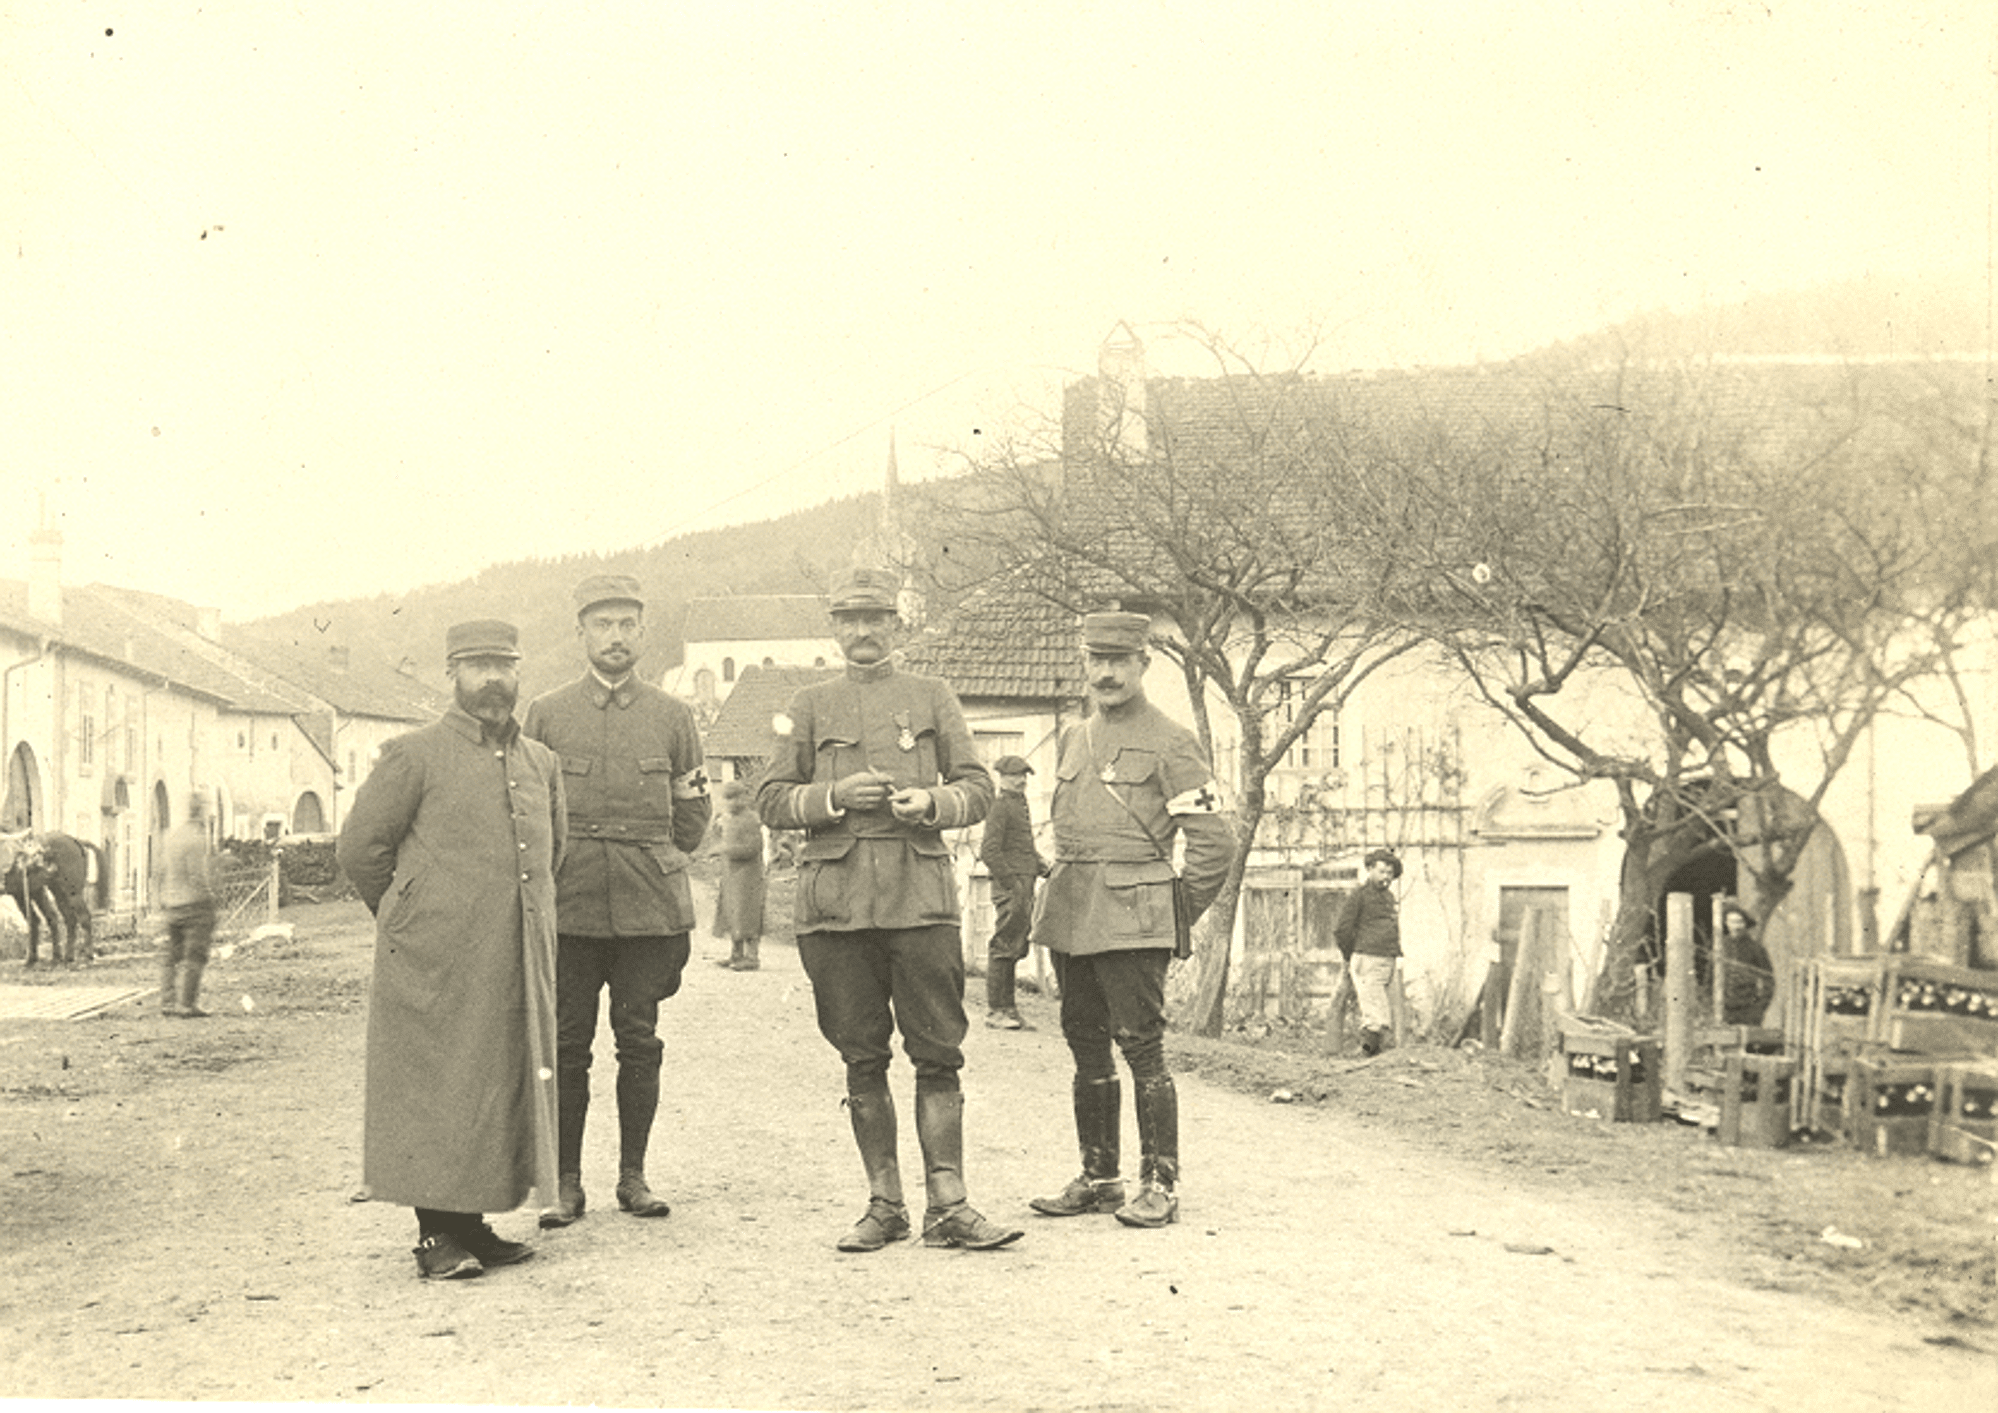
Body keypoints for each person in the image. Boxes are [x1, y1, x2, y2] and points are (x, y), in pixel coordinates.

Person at [757, 565, 1019, 1253]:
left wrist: (932, 803)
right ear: (835, 628)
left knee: (939, 1053)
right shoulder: (808, 704)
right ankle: (884, 1204)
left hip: (919, 897)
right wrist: (836, 796)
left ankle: (950, 1205)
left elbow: (979, 787)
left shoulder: (932, 694)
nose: (864, 631)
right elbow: (771, 798)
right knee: (861, 1056)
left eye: (876, 618)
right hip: (837, 907)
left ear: (895, 624)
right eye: (850, 619)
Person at [336, 619, 565, 1281]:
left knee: (494, 1084)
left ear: (519, 671)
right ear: (452, 674)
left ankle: (473, 1226)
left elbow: (557, 854)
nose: (492, 678)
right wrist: (411, 917)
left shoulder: (539, 763)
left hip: (515, 955)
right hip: (433, 957)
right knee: (437, 1084)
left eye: (503, 664)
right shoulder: (415, 754)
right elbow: (360, 849)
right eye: (476, 665)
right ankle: (436, 1235)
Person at [1028, 611, 1236, 1230]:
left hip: (1133, 915)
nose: (1107, 672)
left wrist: (1169, 917)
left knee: (1143, 1049)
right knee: (1084, 1043)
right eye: (1096, 660)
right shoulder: (1073, 736)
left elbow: (1213, 846)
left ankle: (1160, 1183)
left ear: (1144, 664)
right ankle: (1099, 1177)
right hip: (1071, 910)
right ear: (1084, 664)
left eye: (1120, 661)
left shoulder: (1172, 740)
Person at [522, 574, 712, 1228]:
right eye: (602, 625)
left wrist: (656, 860)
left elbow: (694, 811)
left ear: (641, 631)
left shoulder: (672, 714)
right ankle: (567, 1182)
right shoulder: (546, 713)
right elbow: (525, 810)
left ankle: (633, 1176)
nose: (616, 637)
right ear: (581, 633)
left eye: (627, 624)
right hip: (570, 905)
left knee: (640, 1039)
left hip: (646, 907)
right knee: (568, 1043)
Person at [979, 754, 1046, 1030]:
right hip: (1012, 885)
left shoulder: (1020, 804)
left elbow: (1021, 847)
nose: (1020, 781)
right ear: (1002, 778)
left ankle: (1010, 1010)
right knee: (1004, 945)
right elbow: (989, 851)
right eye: (1015, 776)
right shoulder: (1000, 806)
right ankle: (996, 1011)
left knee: (1016, 944)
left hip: (1024, 880)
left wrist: (1040, 865)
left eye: (1024, 776)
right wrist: (1011, 882)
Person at [1335, 847, 1403, 1057]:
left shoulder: (1388, 897)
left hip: (1386, 958)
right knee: (1374, 1010)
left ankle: (1380, 1053)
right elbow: (1342, 930)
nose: (1386, 878)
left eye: (1390, 874)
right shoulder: (1359, 896)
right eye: (1382, 872)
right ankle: (1368, 1053)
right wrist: (1351, 955)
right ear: (1370, 870)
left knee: (1380, 1006)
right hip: (1367, 958)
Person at [156, 795, 217, 1019]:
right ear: (200, 812)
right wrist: (209, 898)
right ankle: (187, 1004)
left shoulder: (171, 835)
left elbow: (159, 870)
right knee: (194, 955)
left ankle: (168, 1002)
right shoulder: (197, 838)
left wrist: (163, 897)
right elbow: (196, 874)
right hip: (194, 904)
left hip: (172, 904)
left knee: (171, 957)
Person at [712, 781, 767, 971]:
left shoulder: (751, 819)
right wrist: (717, 826)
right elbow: (719, 837)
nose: (731, 803)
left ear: (744, 798)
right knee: (732, 913)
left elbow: (754, 847)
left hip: (748, 877)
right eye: (727, 799)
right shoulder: (727, 818)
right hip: (731, 876)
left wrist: (726, 849)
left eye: (735, 798)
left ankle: (752, 957)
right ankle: (736, 954)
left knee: (748, 914)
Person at [1718, 903, 1776, 1025]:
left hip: (1748, 1009)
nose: (1736, 926)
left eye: (1739, 922)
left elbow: (1768, 980)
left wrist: (1759, 1008)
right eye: (1732, 922)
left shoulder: (1755, 949)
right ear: (1726, 923)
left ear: (1745, 924)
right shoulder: (1720, 947)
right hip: (1724, 1010)